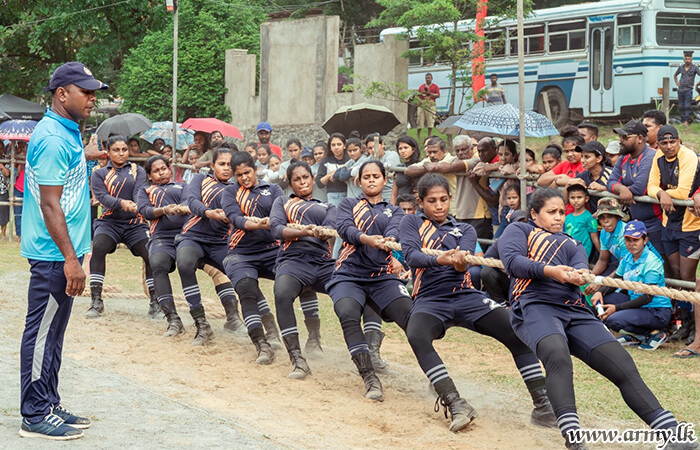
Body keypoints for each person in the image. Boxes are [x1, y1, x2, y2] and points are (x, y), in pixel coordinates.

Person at [500, 187, 690, 450]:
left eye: (561, 212)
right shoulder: (520, 231)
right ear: (534, 213)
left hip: (574, 309)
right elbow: (512, 262)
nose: (558, 217)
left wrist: (579, 275)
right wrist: (552, 272)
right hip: (534, 305)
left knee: (622, 363)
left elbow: (580, 265)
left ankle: (672, 433)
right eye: (551, 212)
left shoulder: (573, 243)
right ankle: (574, 438)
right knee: (556, 353)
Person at [400, 174, 556, 433]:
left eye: (443, 200)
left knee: (515, 331)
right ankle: (455, 402)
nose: (438, 206)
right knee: (416, 334)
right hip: (429, 298)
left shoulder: (466, 229)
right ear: (420, 202)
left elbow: (463, 265)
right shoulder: (411, 222)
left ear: (450, 199)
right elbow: (412, 256)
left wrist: (460, 261)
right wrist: (442, 260)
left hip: (465, 296)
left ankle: (542, 405)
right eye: (432, 201)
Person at [19, 61, 107, 440]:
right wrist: (72, 260)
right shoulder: (54, 138)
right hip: (54, 254)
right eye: (85, 92)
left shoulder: (66, 132)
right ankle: (34, 414)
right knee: (40, 334)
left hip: (63, 253)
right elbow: (50, 205)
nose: (92, 99)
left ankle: (49, 402)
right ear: (62, 94)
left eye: (93, 92)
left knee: (53, 333)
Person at [328, 160, 412, 401]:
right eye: (367, 177)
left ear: (385, 180)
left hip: (383, 276)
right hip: (349, 274)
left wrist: (388, 240)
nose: (372, 180)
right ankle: (369, 376)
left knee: (411, 317)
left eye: (376, 176)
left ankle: (436, 379)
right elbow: (344, 228)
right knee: (347, 312)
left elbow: (396, 230)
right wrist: (366, 239)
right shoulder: (348, 204)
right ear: (359, 181)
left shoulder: (394, 210)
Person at [270, 161, 337, 379]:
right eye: (297, 179)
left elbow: (330, 229)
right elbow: (277, 228)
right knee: (281, 293)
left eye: (306, 177)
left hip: (323, 262)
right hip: (293, 260)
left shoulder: (329, 206)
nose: (303, 182)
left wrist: (321, 232)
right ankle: (298, 359)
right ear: (290, 183)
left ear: (313, 178)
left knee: (357, 287)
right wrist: (302, 233)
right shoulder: (282, 201)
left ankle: (370, 353)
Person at [221, 151, 286, 364]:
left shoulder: (273, 189)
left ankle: (313, 339)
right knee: (247, 290)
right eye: (239, 175)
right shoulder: (230, 192)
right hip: (241, 253)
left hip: (272, 249)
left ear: (255, 169)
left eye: (247, 172)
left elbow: (281, 215)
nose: (244, 178)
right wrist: (257, 223)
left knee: (295, 280)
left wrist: (274, 221)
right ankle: (262, 344)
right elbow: (236, 219)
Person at [176, 147, 244, 346]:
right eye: (221, 164)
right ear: (212, 165)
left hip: (220, 242)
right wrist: (209, 213)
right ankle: (201, 324)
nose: (225, 169)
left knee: (241, 274)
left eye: (229, 165)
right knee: (184, 263)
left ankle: (254, 324)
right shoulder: (200, 179)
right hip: (193, 237)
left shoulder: (237, 189)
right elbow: (192, 202)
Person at [87, 135, 161, 319]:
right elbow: (103, 197)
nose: (121, 154)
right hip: (109, 222)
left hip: (134, 224)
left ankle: (155, 302)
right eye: (116, 150)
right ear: (109, 152)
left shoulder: (138, 171)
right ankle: (96, 301)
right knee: (99, 247)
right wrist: (122, 203)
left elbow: (139, 192)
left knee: (150, 252)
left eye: (124, 150)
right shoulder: (99, 173)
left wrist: (136, 205)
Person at [647, 124, 700, 346]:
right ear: (657, 144)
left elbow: (684, 191)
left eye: (672, 142)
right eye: (664, 143)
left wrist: (664, 193)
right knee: (676, 276)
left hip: (690, 225)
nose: (668, 146)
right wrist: (660, 193)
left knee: (687, 277)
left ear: (679, 141)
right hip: (669, 223)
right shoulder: (658, 157)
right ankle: (684, 322)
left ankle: (696, 327)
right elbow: (649, 186)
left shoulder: (688, 157)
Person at [592, 221, 672, 350]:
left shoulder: (652, 262)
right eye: (628, 240)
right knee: (604, 299)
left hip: (656, 310)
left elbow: (647, 297)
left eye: (636, 239)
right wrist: (600, 292)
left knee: (613, 320)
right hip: (637, 302)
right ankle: (636, 336)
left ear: (645, 240)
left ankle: (654, 334)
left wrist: (617, 308)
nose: (631, 244)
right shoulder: (628, 258)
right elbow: (616, 281)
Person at [136, 155, 190, 337]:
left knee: (191, 264)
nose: (161, 173)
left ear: (170, 169)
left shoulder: (182, 186)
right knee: (158, 264)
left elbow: (190, 203)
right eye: (156, 171)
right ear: (150, 176)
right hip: (161, 237)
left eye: (163, 169)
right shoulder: (145, 190)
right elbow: (145, 211)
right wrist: (164, 210)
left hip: (187, 235)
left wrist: (182, 207)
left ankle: (223, 317)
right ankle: (173, 319)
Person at [607, 119, 664, 259]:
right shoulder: (624, 156)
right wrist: (621, 189)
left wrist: (625, 190)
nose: (621, 140)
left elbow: (640, 188)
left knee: (661, 262)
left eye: (625, 137)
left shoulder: (649, 156)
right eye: (620, 137)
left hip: (656, 222)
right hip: (637, 220)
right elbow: (610, 182)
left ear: (639, 138)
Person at [404, 136, 457, 215]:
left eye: (435, 152)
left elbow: (439, 167)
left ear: (444, 151)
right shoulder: (428, 160)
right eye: (429, 152)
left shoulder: (452, 160)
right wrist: (426, 167)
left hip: (452, 207)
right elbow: (408, 171)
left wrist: (432, 167)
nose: (432, 155)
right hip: (432, 207)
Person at [317, 133, 349, 257]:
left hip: (349, 195)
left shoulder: (349, 160)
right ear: (329, 147)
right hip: (334, 197)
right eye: (333, 145)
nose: (336, 147)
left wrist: (339, 175)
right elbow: (319, 183)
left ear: (344, 146)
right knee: (337, 231)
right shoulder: (326, 161)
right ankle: (334, 260)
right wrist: (330, 175)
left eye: (339, 144)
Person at [569, 140, 613, 213]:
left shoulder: (611, 174)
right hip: (596, 220)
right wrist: (569, 183)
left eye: (587, 157)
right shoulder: (583, 176)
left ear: (599, 158)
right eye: (582, 156)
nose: (582, 160)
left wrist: (603, 188)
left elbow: (625, 194)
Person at [564, 184, 600, 260]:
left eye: (579, 197)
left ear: (586, 199)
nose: (576, 200)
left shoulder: (590, 217)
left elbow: (595, 239)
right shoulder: (567, 217)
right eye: (572, 198)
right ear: (568, 199)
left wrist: (603, 256)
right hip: (568, 252)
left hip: (582, 254)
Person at [365, 133, 400, 202]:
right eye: (370, 148)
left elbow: (387, 166)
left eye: (375, 146)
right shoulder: (369, 158)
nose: (373, 150)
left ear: (382, 144)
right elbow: (358, 169)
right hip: (373, 196)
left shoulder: (392, 155)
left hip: (389, 195)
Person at [390, 135, 421, 205]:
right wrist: (392, 208)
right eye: (400, 149)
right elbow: (394, 194)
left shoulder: (419, 166)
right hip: (400, 205)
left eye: (406, 148)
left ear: (413, 149)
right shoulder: (398, 168)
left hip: (415, 206)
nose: (403, 151)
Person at [674, 51, 700, 126]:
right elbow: (675, 75)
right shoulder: (681, 67)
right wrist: (677, 83)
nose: (687, 60)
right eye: (686, 59)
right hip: (681, 89)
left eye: (689, 59)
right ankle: (682, 120)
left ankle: (686, 120)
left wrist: (698, 84)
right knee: (681, 105)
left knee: (687, 105)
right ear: (684, 59)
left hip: (688, 89)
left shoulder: (695, 68)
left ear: (691, 59)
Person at [416, 73, 440, 141]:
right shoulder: (421, 86)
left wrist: (430, 94)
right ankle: (418, 135)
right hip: (422, 105)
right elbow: (417, 95)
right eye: (426, 78)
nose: (428, 79)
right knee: (420, 120)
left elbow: (438, 95)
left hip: (431, 105)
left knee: (430, 120)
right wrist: (421, 93)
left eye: (429, 78)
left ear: (431, 79)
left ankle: (429, 135)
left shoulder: (435, 86)